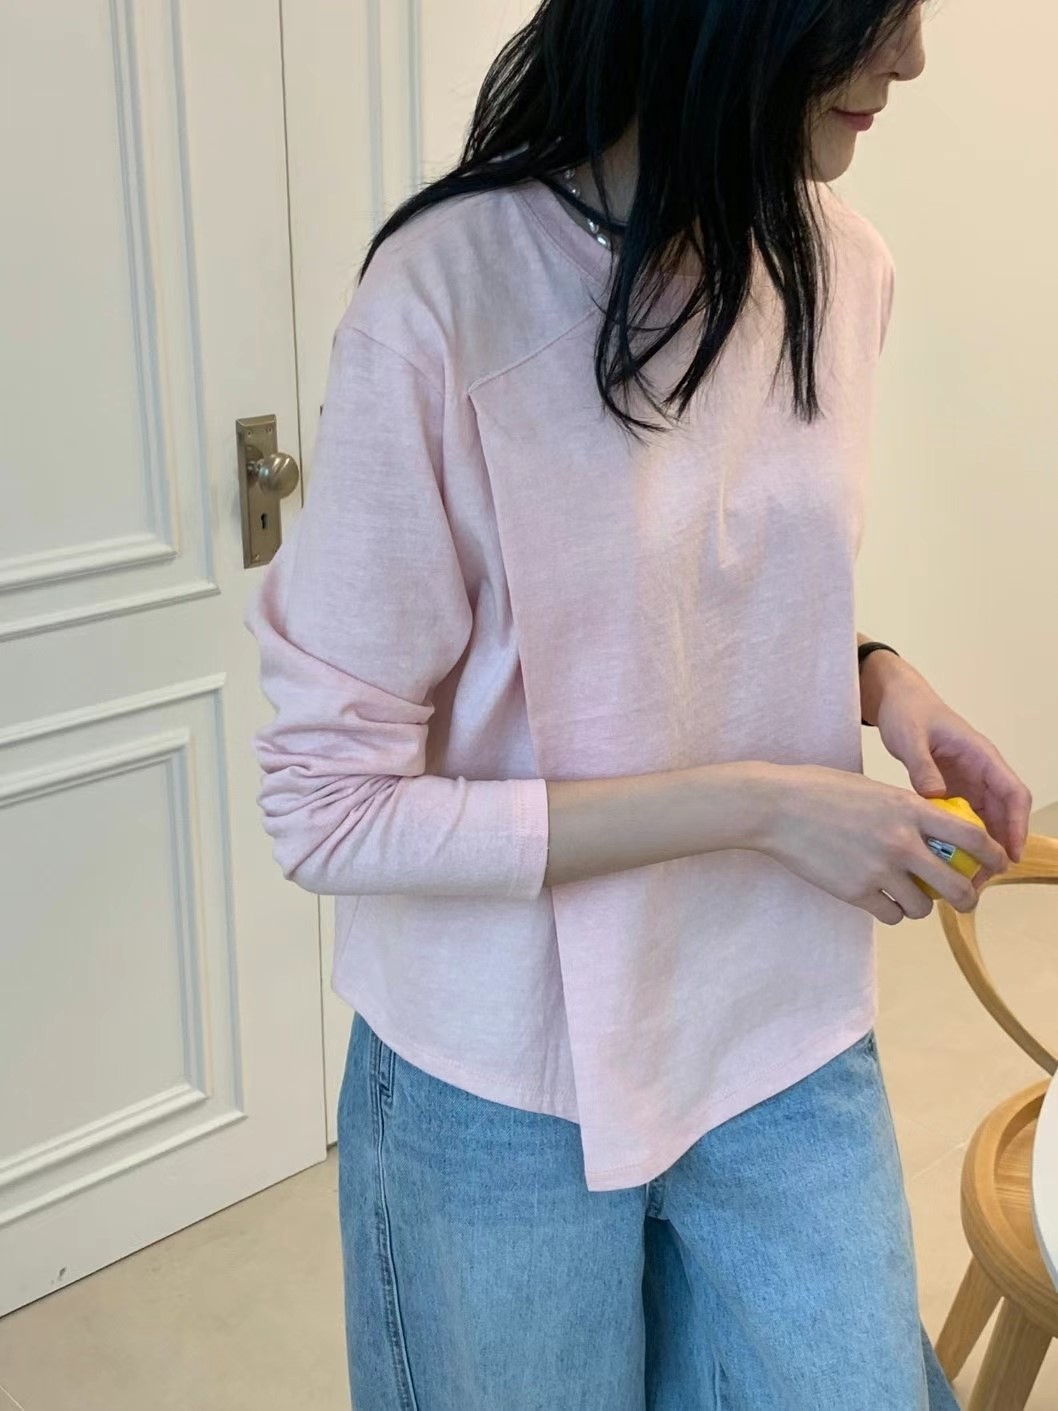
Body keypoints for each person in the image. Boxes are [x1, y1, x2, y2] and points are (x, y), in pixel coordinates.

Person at [246, 0, 1033, 1406]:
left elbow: (665, 597)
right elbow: (327, 811)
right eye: (877, 9)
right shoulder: (447, 297)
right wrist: (763, 808)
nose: (910, 56)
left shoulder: (844, 267)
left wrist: (875, 673)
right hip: (496, 1074)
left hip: (777, 1022)